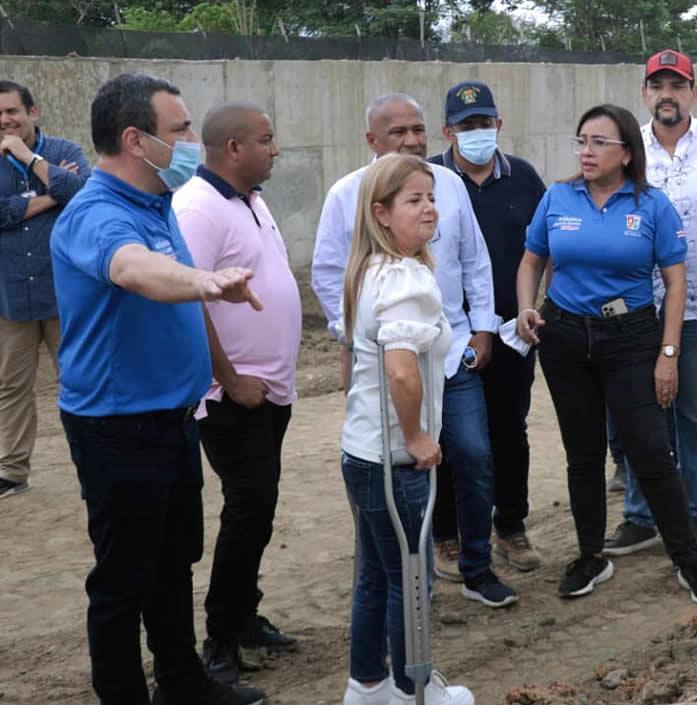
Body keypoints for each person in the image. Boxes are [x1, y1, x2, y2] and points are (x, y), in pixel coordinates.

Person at [52, 72, 266, 705]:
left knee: (173, 564)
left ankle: (182, 683)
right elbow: (133, 270)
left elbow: (170, 279)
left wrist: (217, 369)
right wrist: (204, 281)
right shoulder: (95, 212)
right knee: (123, 579)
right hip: (118, 427)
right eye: (180, 130)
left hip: (172, 418)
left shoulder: (158, 205)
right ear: (134, 140)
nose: (193, 140)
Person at [311, 93, 517, 608]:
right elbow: (330, 272)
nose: (411, 139)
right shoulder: (347, 194)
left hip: (449, 354)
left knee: (472, 454)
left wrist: (483, 329)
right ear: (371, 141)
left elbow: (475, 259)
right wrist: (355, 334)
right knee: (399, 467)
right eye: (398, 131)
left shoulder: (447, 185)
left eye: (418, 129)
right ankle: (408, 583)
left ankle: (476, 566)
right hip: (388, 363)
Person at [516, 104, 697, 605]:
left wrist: (668, 353)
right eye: (581, 140)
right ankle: (591, 555)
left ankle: (687, 560)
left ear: (626, 152)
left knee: (650, 450)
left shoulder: (652, 206)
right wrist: (526, 307)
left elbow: (675, 284)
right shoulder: (558, 198)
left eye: (599, 143)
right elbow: (531, 259)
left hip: (631, 337)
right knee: (583, 454)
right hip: (565, 338)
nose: (586, 152)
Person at [336, 153, 474, 705]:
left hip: (362, 451)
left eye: (432, 198)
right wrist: (417, 436)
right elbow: (400, 368)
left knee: (376, 573)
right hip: (393, 460)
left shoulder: (369, 270)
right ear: (381, 213)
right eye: (414, 200)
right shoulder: (406, 278)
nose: (430, 210)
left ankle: (366, 684)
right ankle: (411, 690)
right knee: (411, 578)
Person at [174, 102, 302, 683]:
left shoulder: (249, 199)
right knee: (248, 508)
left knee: (261, 506)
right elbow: (189, 298)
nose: (275, 149)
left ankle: (244, 616)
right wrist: (228, 378)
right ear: (233, 148)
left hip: (268, 392)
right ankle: (220, 638)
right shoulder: (198, 207)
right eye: (266, 139)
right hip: (232, 397)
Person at [602, 50, 697, 557]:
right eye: (657, 85)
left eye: (677, 85)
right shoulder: (624, 148)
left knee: (693, 411)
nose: (668, 94)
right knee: (643, 412)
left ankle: (694, 509)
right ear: (644, 94)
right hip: (638, 305)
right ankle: (641, 516)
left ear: (694, 92)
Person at [429, 81, 547, 574]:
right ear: (448, 130)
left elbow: (543, 245)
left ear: (498, 124)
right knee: (449, 436)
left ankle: (510, 525)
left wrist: (535, 307)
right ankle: (447, 533)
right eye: (466, 125)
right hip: (448, 334)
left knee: (508, 429)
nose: (477, 132)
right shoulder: (428, 179)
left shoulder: (523, 178)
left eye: (484, 123)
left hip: (512, 330)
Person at [0, 79, 89, 499]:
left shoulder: (65, 153)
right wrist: (52, 193)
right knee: (12, 386)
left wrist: (29, 158)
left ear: (33, 113)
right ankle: (12, 471)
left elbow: (83, 193)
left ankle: (94, 460)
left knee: (77, 378)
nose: (5, 120)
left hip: (63, 293)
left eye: (12, 111)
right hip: (10, 295)